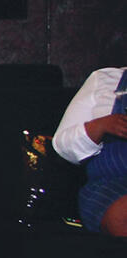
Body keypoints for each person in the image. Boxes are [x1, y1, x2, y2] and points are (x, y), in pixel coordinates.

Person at [53, 66, 127, 236]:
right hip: (110, 186)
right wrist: (99, 127)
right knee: (121, 217)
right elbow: (63, 146)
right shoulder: (105, 80)